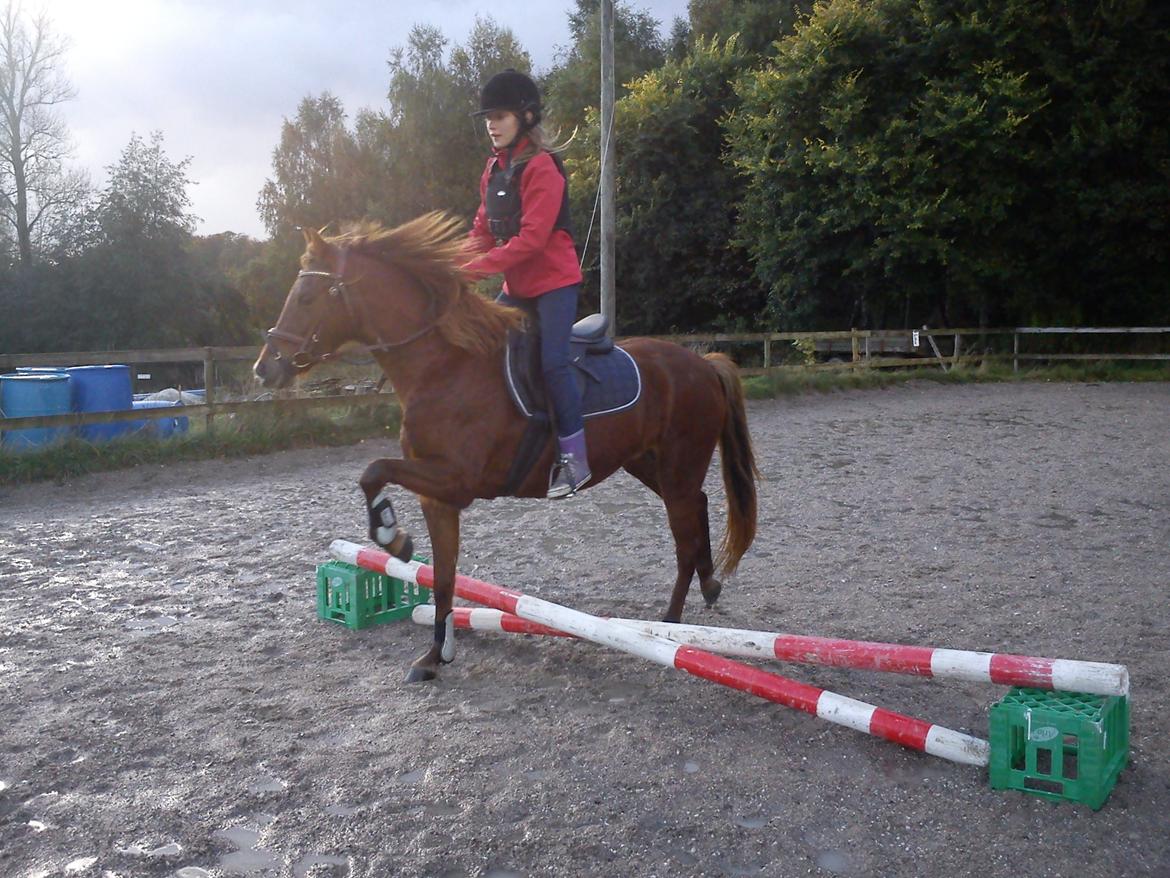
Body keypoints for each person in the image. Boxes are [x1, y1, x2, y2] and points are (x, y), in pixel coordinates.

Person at [462, 69, 591, 500]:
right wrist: (447, 265)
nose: (491, 125)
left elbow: (533, 240)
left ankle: (575, 458)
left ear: (526, 117)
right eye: (488, 118)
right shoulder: (493, 171)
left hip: (554, 284)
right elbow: (482, 232)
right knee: (485, 349)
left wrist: (476, 270)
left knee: (553, 363)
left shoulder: (543, 168)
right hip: (517, 288)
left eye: (499, 116)